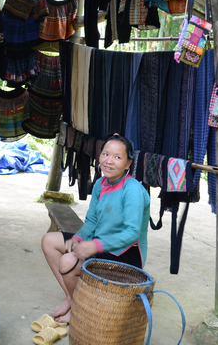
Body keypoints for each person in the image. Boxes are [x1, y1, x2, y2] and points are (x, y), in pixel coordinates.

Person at [41, 133, 150, 323]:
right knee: (49, 240)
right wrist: (79, 238)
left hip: (125, 254)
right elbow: (91, 221)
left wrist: (95, 246)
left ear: (128, 163)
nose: (109, 161)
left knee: (68, 261)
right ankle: (71, 298)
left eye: (117, 157)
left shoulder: (132, 190)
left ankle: (78, 309)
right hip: (99, 244)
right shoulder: (100, 184)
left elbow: (132, 234)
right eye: (105, 154)